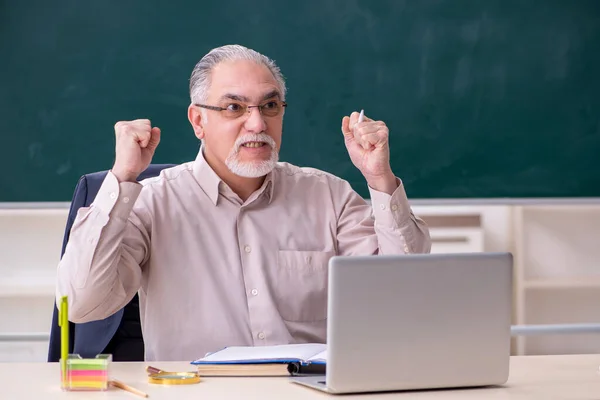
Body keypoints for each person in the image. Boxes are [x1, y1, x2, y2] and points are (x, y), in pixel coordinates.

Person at [56, 44, 431, 361]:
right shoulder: (154, 201)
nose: (257, 124)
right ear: (198, 121)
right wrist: (121, 179)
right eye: (234, 108)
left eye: (269, 106)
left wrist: (379, 179)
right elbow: (85, 303)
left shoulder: (328, 196)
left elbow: (403, 299)